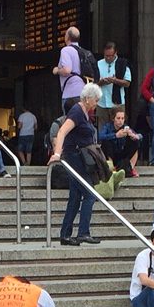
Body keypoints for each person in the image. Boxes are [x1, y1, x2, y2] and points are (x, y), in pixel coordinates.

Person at [50, 82, 103, 246]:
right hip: (74, 156)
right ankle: (83, 232)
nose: (96, 104)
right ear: (88, 99)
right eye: (95, 100)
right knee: (89, 194)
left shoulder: (84, 112)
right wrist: (57, 153)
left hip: (77, 156)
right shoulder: (77, 111)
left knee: (75, 196)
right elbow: (62, 131)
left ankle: (65, 234)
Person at [99, 107, 142, 179]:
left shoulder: (125, 127)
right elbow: (100, 136)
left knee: (135, 142)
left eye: (122, 118)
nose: (120, 121)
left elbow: (140, 136)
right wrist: (116, 135)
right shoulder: (108, 126)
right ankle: (111, 168)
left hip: (122, 155)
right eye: (118, 118)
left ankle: (131, 167)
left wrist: (134, 135)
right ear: (113, 118)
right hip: (111, 153)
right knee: (106, 142)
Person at [53, 25, 85, 114]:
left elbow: (67, 70)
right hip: (83, 93)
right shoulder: (82, 51)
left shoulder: (66, 50)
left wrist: (57, 70)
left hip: (70, 94)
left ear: (67, 37)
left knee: (69, 121)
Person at [97, 42, 131, 114]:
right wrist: (102, 82)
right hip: (101, 103)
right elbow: (93, 83)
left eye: (111, 56)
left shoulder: (122, 63)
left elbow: (127, 83)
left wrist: (115, 80)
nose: (108, 58)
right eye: (106, 55)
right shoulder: (99, 64)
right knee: (101, 125)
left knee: (118, 124)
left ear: (115, 53)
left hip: (117, 103)